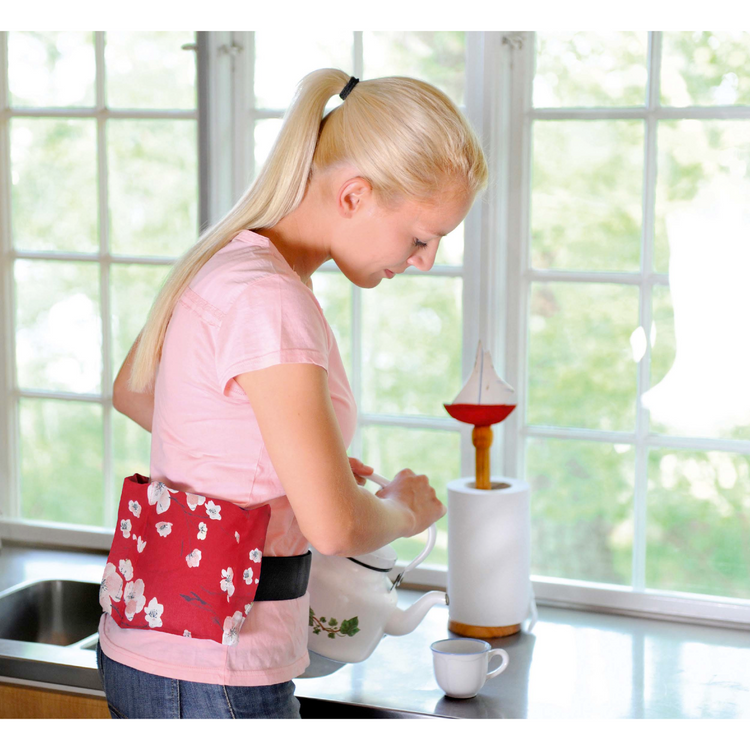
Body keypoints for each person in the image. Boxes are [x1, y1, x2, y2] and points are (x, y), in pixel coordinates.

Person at [97, 68, 488, 719]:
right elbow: (336, 527)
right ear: (355, 195)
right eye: (422, 237)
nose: (425, 259)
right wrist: (403, 511)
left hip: (157, 645)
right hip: (219, 668)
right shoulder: (270, 298)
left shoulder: (229, 260)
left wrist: (298, 460)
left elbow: (135, 392)